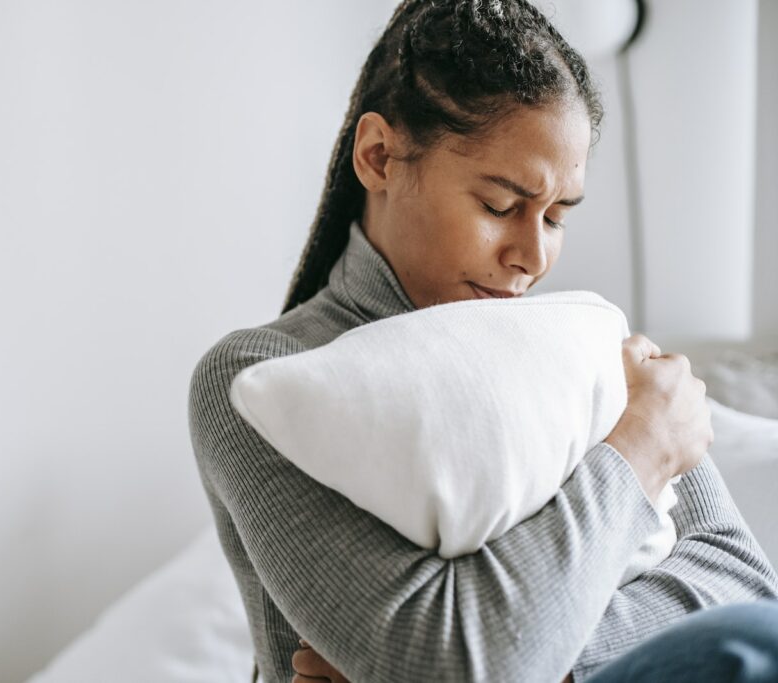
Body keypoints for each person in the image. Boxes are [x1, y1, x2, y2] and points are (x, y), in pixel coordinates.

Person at [186, 1, 778, 681]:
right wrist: (638, 451)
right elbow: (450, 660)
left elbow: (745, 578)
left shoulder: (586, 347)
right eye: (500, 206)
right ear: (378, 156)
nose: (533, 255)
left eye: (556, 216)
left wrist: (544, 655)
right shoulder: (259, 378)